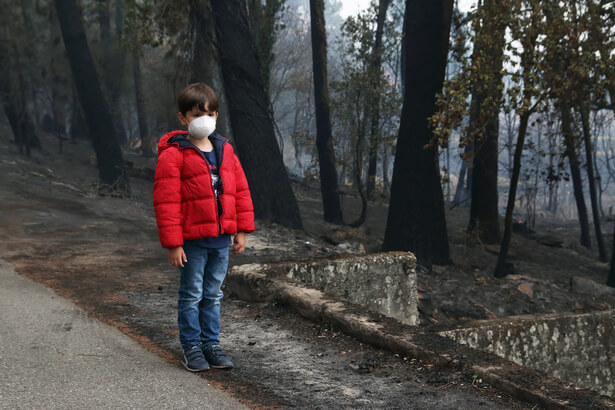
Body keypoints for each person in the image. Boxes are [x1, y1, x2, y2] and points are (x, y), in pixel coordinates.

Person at [153, 83, 255, 372]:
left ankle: (211, 344)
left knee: (213, 294)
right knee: (192, 294)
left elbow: (241, 191)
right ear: (182, 118)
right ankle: (192, 347)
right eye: (197, 114)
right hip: (193, 242)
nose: (205, 119)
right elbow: (166, 202)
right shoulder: (174, 154)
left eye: (210, 113)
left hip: (221, 240)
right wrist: (174, 243)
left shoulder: (225, 150)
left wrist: (242, 229)